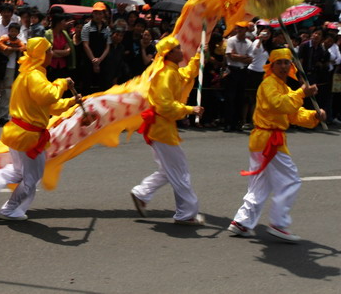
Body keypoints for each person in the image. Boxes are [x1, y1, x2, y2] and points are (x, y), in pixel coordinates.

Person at [227, 48, 326, 242]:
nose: (283, 66)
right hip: (268, 140)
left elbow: (293, 114)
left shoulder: (283, 87)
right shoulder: (269, 84)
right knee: (291, 180)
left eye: (286, 62)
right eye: (278, 62)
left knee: (259, 185)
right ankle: (279, 223)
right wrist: (301, 93)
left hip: (264, 141)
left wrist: (313, 115)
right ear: (271, 66)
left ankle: (242, 221)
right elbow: (279, 104)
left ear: (291, 66)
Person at [0, 37, 80, 220]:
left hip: (18, 132)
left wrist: (72, 102)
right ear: (42, 54)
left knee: (18, 171)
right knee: (32, 178)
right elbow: (48, 96)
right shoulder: (34, 75)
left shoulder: (30, 74)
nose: (51, 53)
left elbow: (49, 106)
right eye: (48, 50)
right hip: (28, 136)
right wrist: (62, 83)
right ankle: (9, 210)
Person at [131, 36, 205, 225]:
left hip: (163, 128)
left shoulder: (171, 71)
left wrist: (198, 57)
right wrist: (190, 109)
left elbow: (187, 74)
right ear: (169, 53)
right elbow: (164, 105)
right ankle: (186, 213)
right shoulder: (166, 74)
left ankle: (142, 193)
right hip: (162, 128)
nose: (182, 50)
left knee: (169, 170)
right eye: (178, 48)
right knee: (179, 171)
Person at [224, 21, 253, 132]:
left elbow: (250, 59)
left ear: (246, 30)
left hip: (243, 71)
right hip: (232, 71)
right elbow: (230, 57)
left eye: (241, 28)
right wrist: (243, 57)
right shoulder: (231, 40)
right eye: (238, 28)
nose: (239, 30)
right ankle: (228, 123)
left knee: (240, 98)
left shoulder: (249, 43)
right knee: (229, 98)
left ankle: (237, 123)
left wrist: (237, 56)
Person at [81, 2, 111, 93]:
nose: (98, 16)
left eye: (100, 13)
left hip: (102, 60)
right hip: (88, 60)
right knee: (86, 84)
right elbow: (85, 45)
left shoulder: (107, 29)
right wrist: (94, 60)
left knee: (103, 85)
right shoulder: (86, 27)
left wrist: (99, 60)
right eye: (96, 13)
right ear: (92, 14)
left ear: (104, 14)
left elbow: (108, 46)